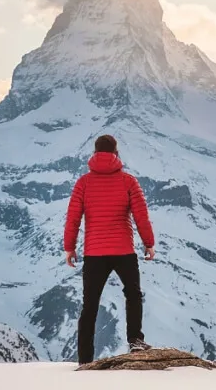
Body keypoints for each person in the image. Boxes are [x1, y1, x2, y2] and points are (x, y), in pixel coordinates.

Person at [64, 134, 156, 364]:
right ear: (116, 153)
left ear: (94, 153)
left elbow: (73, 218)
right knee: (133, 294)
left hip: (94, 253)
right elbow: (141, 216)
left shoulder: (83, 183)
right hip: (123, 250)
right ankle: (135, 340)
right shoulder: (128, 181)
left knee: (90, 305)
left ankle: (85, 359)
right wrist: (149, 243)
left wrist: (69, 248)